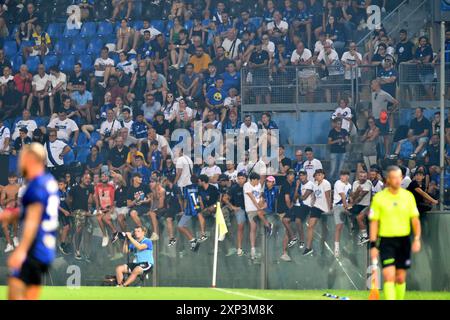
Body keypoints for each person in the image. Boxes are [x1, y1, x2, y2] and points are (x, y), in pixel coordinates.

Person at [0, 143, 59, 300]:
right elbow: (35, 211)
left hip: (35, 246)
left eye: (23, 158)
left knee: (15, 288)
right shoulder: (48, 181)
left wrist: (21, 250)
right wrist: (10, 215)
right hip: (46, 246)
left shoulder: (36, 185)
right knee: (29, 292)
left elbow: (33, 220)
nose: (21, 162)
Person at [369, 166, 422, 300]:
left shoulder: (408, 196)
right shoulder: (379, 198)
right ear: (388, 179)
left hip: (404, 241)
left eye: (399, 177)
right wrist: (373, 245)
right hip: (386, 241)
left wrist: (416, 238)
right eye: (393, 178)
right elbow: (374, 222)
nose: (397, 180)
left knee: (400, 277)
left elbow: (415, 220)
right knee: (388, 275)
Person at [244, 172, 272, 260]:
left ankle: (268, 225)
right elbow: (252, 198)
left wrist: (263, 204)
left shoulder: (259, 185)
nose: (259, 182)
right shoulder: (247, 185)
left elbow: (259, 197)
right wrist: (258, 208)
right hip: (251, 209)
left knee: (260, 213)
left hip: (259, 208)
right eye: (257, 180)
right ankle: (253, 249)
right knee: (253, 227)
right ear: (253, 179)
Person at [303, 169, 331, 256]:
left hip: (325, 207)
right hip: (316, 207)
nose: (319, 176)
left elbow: (328, 196)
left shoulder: (326, 183)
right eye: (317, 175)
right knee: (310, 226)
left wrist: (329, 209)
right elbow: (314, 195)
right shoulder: (314, 184)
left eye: (320, 175)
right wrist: (312, 203)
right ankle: (308, 247)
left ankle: (324, 249)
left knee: (324, 229)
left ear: (323, 175)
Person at [278, 169, 299, 262]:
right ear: (287, 176)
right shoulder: (285, 184)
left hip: (288, 208)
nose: (292, 176)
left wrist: (297, 186)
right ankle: (284, 252)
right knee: (286, 230)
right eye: (290, 174)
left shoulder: (293, 184)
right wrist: (290, 208)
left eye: (293, 174)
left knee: (287, 230)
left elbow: (294, 197)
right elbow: (287, 199)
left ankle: (285, 252)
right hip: (283, 209)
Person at [94, 172, 120, 248]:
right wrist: (98, 208)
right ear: (100, 178)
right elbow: (96, 198)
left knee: (104, 218)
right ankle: (105, 236)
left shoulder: (111, 187)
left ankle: (115, 232)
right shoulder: (97, 186)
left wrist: (110, 208)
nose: (104, 177)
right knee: (99, 218)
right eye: (102, 176)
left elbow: (114, 199)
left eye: (105, 176)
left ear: (108, 178)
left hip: (110, 208)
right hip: (102, 208)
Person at [178, 175, 201, 251]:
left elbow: (185, 200)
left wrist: (184, 210)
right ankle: (194, 241)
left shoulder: (186, 187)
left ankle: (193, 240)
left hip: (189, 210)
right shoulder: (199, 187)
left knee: (180, 226)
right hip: (198, 210)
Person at [332, 170, 352, 258]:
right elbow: (343, 196)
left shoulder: (349, 185)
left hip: (346, 206)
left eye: (345, 175)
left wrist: (350, 205)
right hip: (338, 206)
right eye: (342, 175)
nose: (343, 177)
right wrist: (346, 207)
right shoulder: (338, 183)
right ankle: (336, 248)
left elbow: (349, 197)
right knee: (339, 227)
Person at [350, 170, 372, 245]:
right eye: (361, 176)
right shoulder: (355, 183)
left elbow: (361, 196)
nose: (363, 178)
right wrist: (357, 191)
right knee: (346, 210)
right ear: (358, 177)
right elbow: (353, 196)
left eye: (365, 177)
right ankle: (353, 228)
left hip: (366, 205)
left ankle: (365, 236)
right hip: (357, 205)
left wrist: (353, 202)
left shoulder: (368, 183)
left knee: (359, 218)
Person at [1, 172, 20, 253]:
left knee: (15, 225)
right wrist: (10, 199)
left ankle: (15, 237)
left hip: (16, 209)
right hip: (8, 210)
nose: (11, 179)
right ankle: (9, 244)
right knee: (4, 226)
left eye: (13, 178)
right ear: (8, 178)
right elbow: (2, 202)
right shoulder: (5, 188)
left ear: (16, 178)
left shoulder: (20, 187)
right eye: (10, 178)